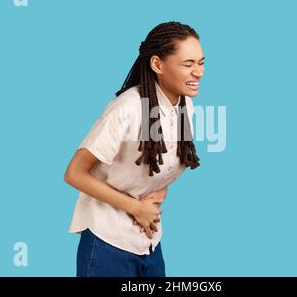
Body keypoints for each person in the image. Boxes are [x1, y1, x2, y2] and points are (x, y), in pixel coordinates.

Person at [63, 21, 205, 277]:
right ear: (158, 65)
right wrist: (136, 207)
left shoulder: (185, 107)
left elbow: (164, 164)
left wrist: (156, 193)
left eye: (201, 63)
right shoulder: (126, 109)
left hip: (149, 240)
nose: (199, 72)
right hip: (107, 244)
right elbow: (74, 173)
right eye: (188, 64)